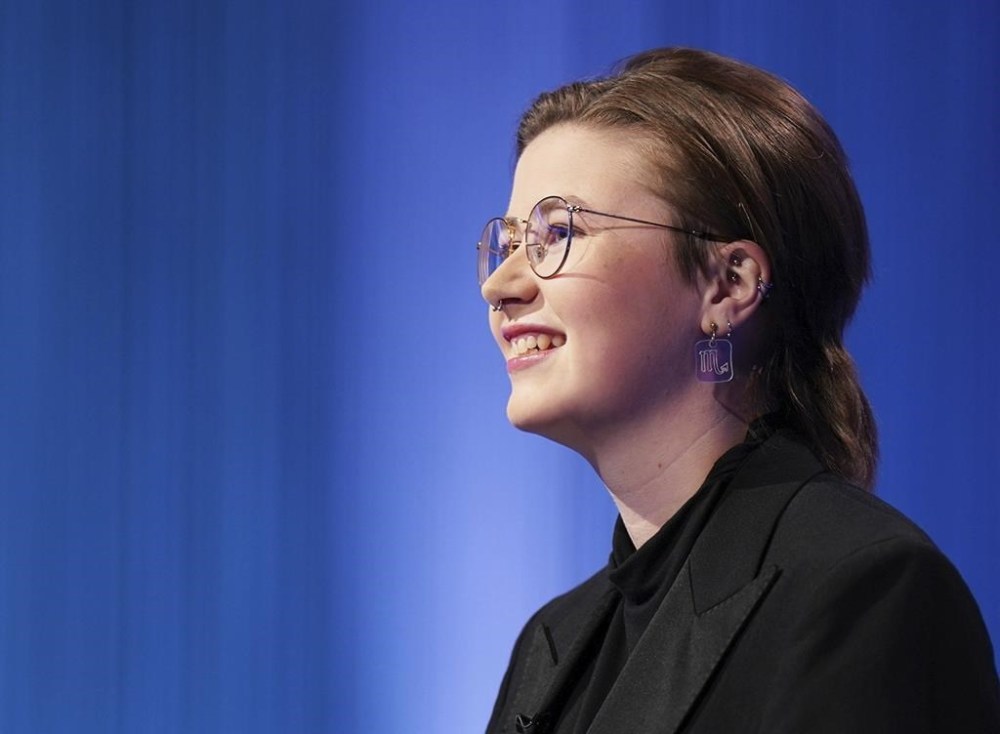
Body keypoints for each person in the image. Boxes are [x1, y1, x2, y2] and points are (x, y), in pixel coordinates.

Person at [477, 48, 1000, 734]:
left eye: (560, 233)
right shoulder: (550, 645)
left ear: (729, 285)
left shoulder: (864, 590)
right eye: (510, 242)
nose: (500, 286)